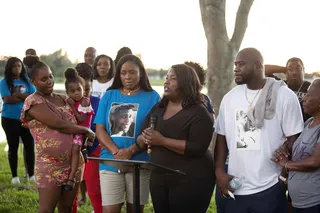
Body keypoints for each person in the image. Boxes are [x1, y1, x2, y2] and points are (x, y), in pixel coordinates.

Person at [215, 48, 304, 213]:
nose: (236, 68)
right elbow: (221, 136)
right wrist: (220, 171)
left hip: (270, 186)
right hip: (236, 185)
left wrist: (283, 176)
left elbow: (295, 139)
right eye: (235, 64)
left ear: (257, 66)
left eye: (241, 64)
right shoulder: (229, 98)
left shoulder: (284, 95)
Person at [20, 61, 95, 213]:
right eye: (44, 79)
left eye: (51, 77)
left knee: (67, 207)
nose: (49, 81)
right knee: (47, 209)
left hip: (74, 165)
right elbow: (58, 124)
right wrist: (86, 131)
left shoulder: (63, 98)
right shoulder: (33, 101)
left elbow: (83, 113)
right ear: (33, 81)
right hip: (50, 166)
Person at [140, 64, 215, 213]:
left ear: (186, 83)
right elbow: (141, 137)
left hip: (190, 180)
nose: (166, 82)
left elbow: (198, 147)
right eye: (166, 78)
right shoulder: (158, 108)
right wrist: (145, 138)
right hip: (160, 177)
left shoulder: (199, 112)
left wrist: (162, 141)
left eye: (173, 79)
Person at [95, 54, 160, 213]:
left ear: (141, 73)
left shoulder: (153, 97)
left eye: (132, 72)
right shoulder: (109, 95)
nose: (127, 76)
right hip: (110, 161)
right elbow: (100, 129)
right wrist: (116, 152)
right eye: (123, 73)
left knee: (135, 210)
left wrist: (131, 151)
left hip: (139, 162)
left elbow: (153, 131)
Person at [272, 79, 320, 213]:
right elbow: (297, 149)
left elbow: (316, 161)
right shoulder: (309, 122)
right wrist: (285, 148)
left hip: (314, 203)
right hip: (297, 202)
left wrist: (286, 164)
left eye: (309, 95)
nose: (303, 97)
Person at [0, 57, 36, 184]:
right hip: (9, 119)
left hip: (26, 118)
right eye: (14, 66)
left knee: (29, 146)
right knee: (13, 146)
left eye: (19, 66)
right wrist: (24, 98)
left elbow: (33, 97)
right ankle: (14, 176)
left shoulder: (27, 81)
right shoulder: (4, 82)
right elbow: (7, 99)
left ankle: (31, 174)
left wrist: (18, 95)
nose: (17, 68)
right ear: (9, 68)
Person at [76, 63, 102, 213]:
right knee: (71, 192)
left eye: (88, 88)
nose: (85, 93)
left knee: (95, 191)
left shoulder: (99, 102)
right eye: (81, 88)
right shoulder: (68, 103)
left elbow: (100, 128)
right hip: (72, 152)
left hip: (94, 152)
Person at [63, 68, 94, 191]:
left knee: (75, 149)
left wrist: (71, 106)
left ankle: (71, 178)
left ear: (83, 89)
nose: (76, 93)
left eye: (79, 90)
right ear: (67, 92)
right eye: (72, 91)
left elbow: (81, 119)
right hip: (74, 129)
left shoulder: (85, 101)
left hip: (82, 129)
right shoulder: (69, 101)